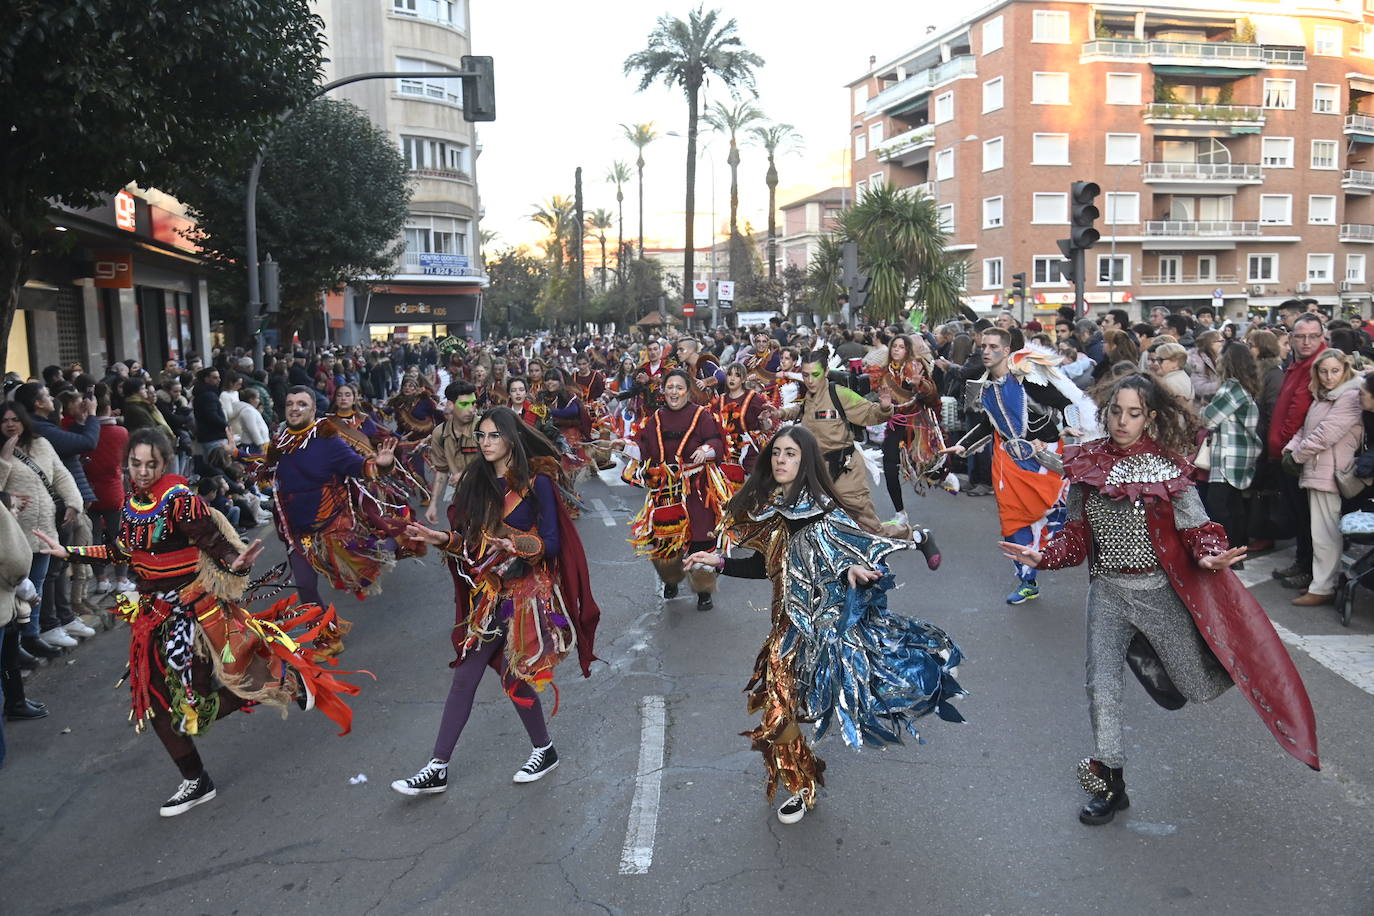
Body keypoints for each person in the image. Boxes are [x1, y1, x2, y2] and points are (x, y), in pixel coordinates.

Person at [1000, 374, 1319, 826]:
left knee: (1194, 686)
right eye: (1116, 411)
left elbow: (1198, 528)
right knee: (1101, 688)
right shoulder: (1086, 466)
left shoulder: (1169, 468)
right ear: (1106, 412)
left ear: (1149, 417)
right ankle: (1110, 782)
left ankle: (1180, 653)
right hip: (1108, 595)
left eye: (1134, 413)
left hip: (1158, 596)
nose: (1122, 421)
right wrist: (1042, 556)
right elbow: (1074, 538)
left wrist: (1210, 557)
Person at [34, 428, 362, 816]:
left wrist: (234, 561)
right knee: (157, 705)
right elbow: (122, 550)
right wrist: (67, 551)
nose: (142, 471)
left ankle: (283, 682)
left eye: (150, 464)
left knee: (195, 705)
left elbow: (214, 543)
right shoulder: (131, 504)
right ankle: (195, 779)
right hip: (152, 619)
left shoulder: (179, 500)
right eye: (135, 464)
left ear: (165, 463)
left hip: (193, 615)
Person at [683, 426, 964, 825]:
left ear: (806, 461)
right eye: (777, 453)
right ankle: (801, 785)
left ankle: (918, 540)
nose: (781, 460)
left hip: (824, 629)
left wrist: (848, 567)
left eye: (791, 454)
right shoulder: (775, 506)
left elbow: (843, 552)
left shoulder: (822, 510)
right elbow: (769, 569)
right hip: (785, 628)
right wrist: (721, 563)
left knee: (820, 702)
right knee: (777, 711)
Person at [391, 408, 601, 796]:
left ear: (510, 438)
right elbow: (468, 543)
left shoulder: (537, 483)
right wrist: (441, 539)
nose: (485, 443)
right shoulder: (476, 480)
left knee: (507, 674)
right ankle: (444, 764)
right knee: (476, 675)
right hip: (488, 593)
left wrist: (517, 544)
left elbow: (552, 543)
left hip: (525, 595)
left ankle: (537, 750)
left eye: (493, 435)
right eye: (481, 436)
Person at [944, 330, 1098, 605]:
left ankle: (1087, 565)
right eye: (983, 346)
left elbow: (1065, 403)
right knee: (1013, 522)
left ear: (1006, 350)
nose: (986, 351)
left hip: (1045, 460)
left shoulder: (1029, 380)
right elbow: (986, 423)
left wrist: (1071, 427)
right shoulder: (984, 385)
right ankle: (1027, 581)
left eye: (992, 346)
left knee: (1060, 517)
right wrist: (963, 447)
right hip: (1008, 463)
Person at [257, 387, 404, 610]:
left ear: (314, 410)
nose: (294, 408)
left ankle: (399, 538)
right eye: (290, 404)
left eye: (301, 404)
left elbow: (359, 466)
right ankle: (327, 635)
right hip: (295, 530)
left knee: (367, 566)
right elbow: (266, 468)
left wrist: (381, 465)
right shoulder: (281, 442)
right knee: (305, 586)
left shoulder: (328, 440)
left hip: (331, 529)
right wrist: (238, 455)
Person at [619, 369, 726, 610]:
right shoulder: (655, 418)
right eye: (670, 388)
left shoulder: (702, 416)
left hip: (696, 489)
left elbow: (717, 442)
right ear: (663, 390)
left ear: (688, 391)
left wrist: (707, 450)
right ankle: (671, 578)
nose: (674, 392)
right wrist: (624, 446)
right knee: (665, 540)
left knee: (700, 539)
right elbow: (643, 447)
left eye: (679, 388)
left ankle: (703, 590)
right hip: (665, 490)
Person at [1283, 349, 1363, 607]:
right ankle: (1321, 583)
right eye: (1324, 371)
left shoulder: (1349, 397)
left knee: (1325, 533)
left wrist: (1296, 456)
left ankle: (1323, 587)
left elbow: (1325, 434)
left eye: (1335, 371)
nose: (1329, 376)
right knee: (1321, 532)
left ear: (1345, 370)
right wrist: (1291, 449)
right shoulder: (1325, 396)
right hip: (1318, 469)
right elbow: (1306, 430)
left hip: (1330, 472)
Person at [1268, 315, 1329, 590]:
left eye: (1312, 336)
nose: (1306, 342)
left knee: (1308, 518)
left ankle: (1308, 569)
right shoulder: (1298, 362)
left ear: (1321, 336)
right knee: (1300, 515)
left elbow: (1300, 413)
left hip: (1299, 454)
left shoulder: (1321, 364)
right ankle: (1302, 563)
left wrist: (1283, 445)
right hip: (1286, 452)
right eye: (1300, 336)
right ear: (1291, 338)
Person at [1199, 342, 1262, 554]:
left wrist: (1202, 409)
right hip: (1242, 454)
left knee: (1218, 505)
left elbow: (1208, 418)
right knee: (1234, 505)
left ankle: (1225, 550)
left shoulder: (1231, 387)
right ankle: (1237, 550)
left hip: (1228, 454)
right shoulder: (1245, 386)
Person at [424, 381, 480, 525]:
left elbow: (499, 465)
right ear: (450, 405)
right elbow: (441, 471)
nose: (471, 409)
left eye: (473, 403)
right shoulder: (440, 433)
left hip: (487, 496)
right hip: (461, 499)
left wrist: (467, 474)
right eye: (464, 404)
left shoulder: (484, 429)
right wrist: (433, 504)